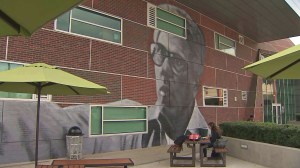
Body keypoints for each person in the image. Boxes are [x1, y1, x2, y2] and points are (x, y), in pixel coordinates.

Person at [142, 4, 208, 147]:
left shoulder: (204, 131)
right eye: (160, 52)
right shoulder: (140, 125)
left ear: (195, 84)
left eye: (177, 61)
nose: (164, 70)